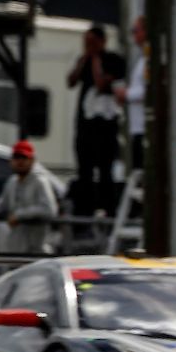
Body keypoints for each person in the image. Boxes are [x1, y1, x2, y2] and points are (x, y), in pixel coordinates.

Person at [68, 25, 125, 216]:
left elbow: (101, 82)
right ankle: (85, 209)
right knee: (84, 170)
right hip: (85, 125)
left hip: (105, 126)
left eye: (92, 42)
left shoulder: (112, 60)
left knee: (105, 170)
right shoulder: (83, 60)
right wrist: (84, 59)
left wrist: (95, 59)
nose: (88, 46)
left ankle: (108, 208)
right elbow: (71, 81)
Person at [0, 140, 59, 255]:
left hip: (36, 250)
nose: (20, 161)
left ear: (32, 160)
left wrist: (19, 215)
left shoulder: (40, 181)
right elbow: (2, 204)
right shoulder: (12, 181)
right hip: (15, 248)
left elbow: (49, 209)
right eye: (16, 157)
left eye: (24, 158)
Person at [114, 15, 148, 171]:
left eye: (136, 30)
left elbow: (149, 90)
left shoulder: (150, 58)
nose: (133, 34)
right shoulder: (143, 58)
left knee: (141, 170)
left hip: (144, 127)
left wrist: (126, 94)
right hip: (137, 126)